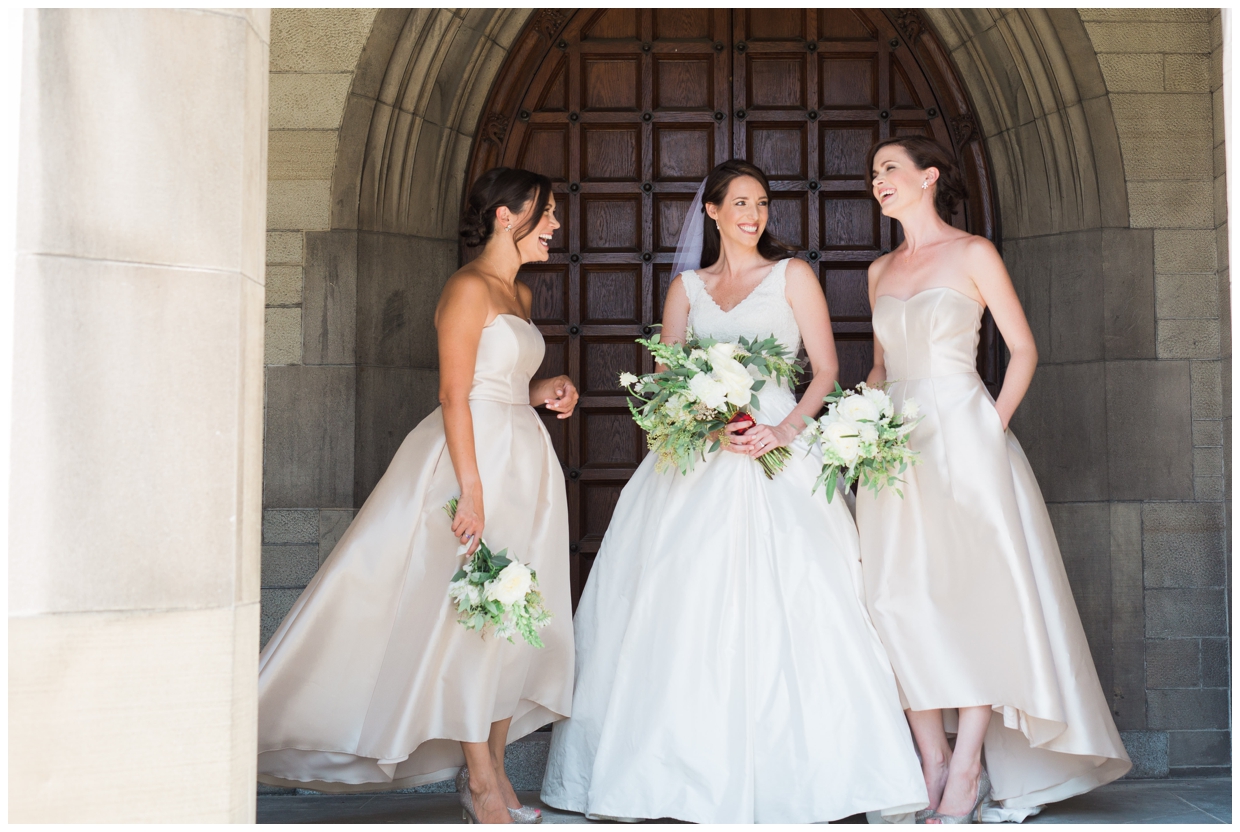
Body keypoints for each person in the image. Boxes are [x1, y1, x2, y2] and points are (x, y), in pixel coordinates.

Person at [539, 160, 928, 823]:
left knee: (808, 595)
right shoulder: (687, 288)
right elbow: (666, 382)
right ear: (712, 212)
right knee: (678, 600)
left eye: (761, 203)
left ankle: (827, 777)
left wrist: (781, 431)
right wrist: (705, 425)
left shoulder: (793, 276)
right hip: (703, 453)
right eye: (740, 203)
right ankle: (667, 773)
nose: (753, 214)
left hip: (782, 445)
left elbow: (827, 369)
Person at [256, 167, 578, 824]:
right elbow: (454, 395)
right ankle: (483, 781)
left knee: (509, 616)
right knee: (472, 612)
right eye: (545, 213)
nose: (555, 226)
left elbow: (504, 384)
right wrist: (471, 493)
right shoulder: (466, 288)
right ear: (505, 216)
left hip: (524, 463)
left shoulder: (518, 292)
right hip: (470, 463)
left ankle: (486, 774)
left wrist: (547, 389)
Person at [857, 136, 1131, 823]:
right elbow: (882, 370)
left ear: (928, 177)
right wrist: (855, 431)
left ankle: (971, 761)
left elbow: (1023, 349)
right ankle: (933, 761)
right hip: (892, 447)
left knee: (969, 597)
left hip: (962, 438)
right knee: (894, 600)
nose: (879, 180)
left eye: (891, 168)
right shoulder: (878, 269)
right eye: (874, 173)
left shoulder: (974, 253)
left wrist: (992, 426)